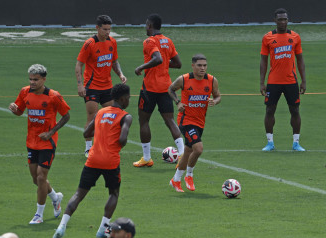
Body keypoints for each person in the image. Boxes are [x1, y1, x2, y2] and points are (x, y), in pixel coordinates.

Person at [53, 84, 132, 238]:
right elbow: (123, 139)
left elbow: (86, 133)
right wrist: (115, 144)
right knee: (113, 193)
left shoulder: (101, 112)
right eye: (128, 98)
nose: (129, 100)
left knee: (79, 194)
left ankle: (61, 226)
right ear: (122, 98)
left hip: (93, 159)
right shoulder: (126, 116)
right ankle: (103, 229)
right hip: (110, 160)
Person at [8, 64, 70, 224]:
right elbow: (20, 111)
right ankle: (55, 198)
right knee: (36, 179)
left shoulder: (53, 96)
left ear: (43, 79)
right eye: (30, 79)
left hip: (47, 142)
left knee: (42, 177)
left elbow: (66, 116)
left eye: (35, 79)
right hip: (31, 140)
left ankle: (39, 215)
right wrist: (14, 109)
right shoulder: (24, 92)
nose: (32, 82)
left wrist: (50, 132)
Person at [133, 13, 184, 167]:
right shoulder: (168, 41)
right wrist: (163, 66)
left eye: (146, 24)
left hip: (150, 89)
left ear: (149, 25)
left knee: (144, 121)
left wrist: (141, 67)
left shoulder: (149, 41)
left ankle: (147, 157)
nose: (145, 27)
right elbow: (178, 63)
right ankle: (182, 155)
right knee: (170, 121)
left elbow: (158, 58)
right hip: (166, 87)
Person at [168, 54, 221, 192]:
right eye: (199, 65)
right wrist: (178, 102)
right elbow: (170, 89)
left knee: (187, 152)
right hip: (186, 120)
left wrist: (214, 101)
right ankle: (189, 176)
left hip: (200, 122)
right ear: (193, 66)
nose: (202, 68)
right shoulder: (184, 79)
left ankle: (176, 180)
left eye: (204, 65)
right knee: (198, 149)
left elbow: (218, 96)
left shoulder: (211, 80)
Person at [76, 14, 127, 158]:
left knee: (110, 117)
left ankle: (106, 145)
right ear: (97, 28)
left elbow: (114, 62)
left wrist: (121, 74)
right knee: (92, 116)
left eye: (109, 29)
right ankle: (88, 148)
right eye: (105, 29)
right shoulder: (89, 44)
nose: (107, 32)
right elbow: (79, 65)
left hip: (107, 87)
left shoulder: (112, 42)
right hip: (91, 86)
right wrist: (80, 85)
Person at [260, 8, 307, 151]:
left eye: (285, 19)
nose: (282, 22)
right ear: (275, 21)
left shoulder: (295, 37)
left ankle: (296, 143)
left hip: (291, 81)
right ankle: (270, 143)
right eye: (280, 19)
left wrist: (303, 80)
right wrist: (262, 82)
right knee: (269, 110)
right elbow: (263, 61)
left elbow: (300, 60)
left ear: (288, 20)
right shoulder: (267, 37)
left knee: (295, 111)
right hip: (273, 81)